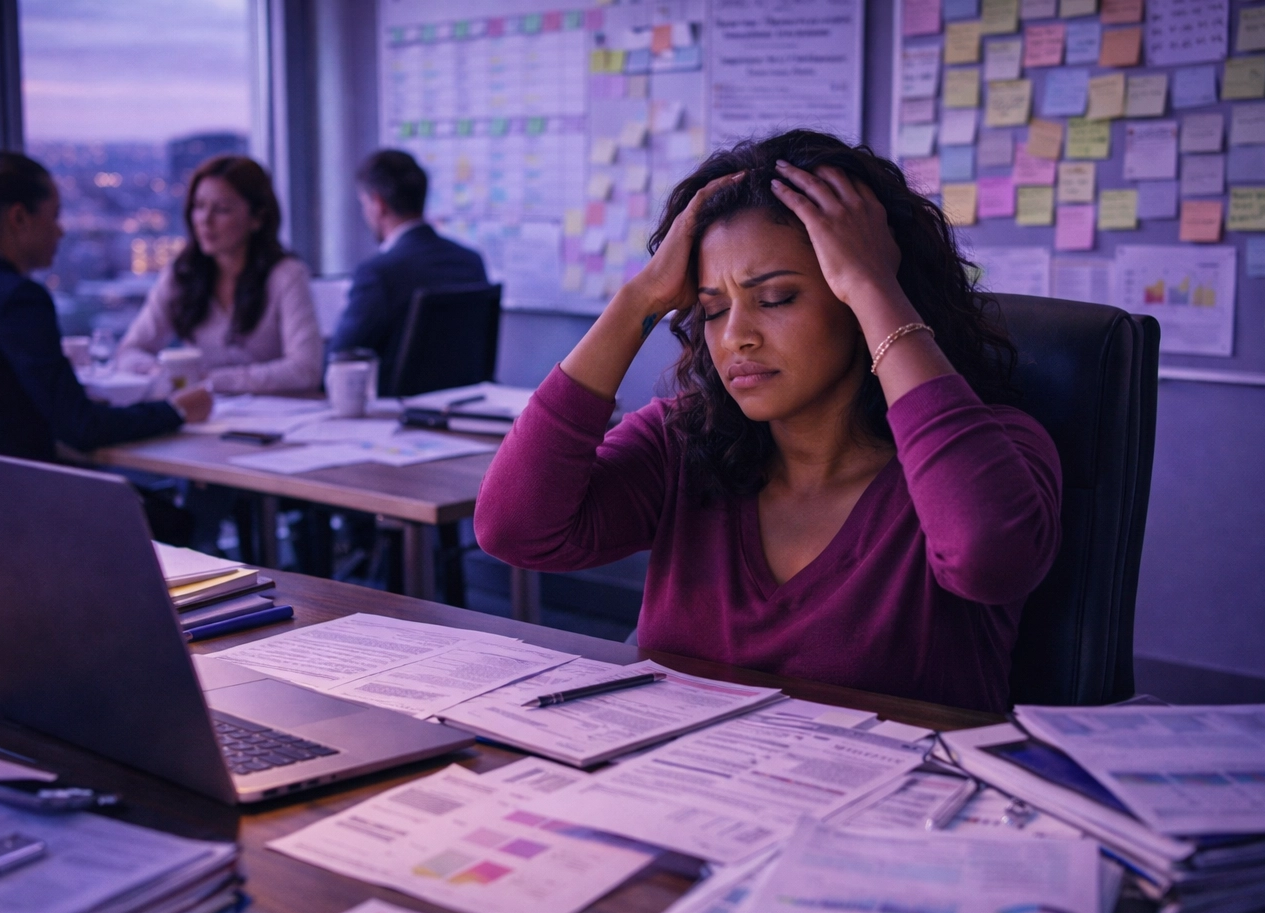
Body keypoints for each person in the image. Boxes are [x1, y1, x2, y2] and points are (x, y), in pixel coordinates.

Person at [473, 131, 1061, 712]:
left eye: (776, 298)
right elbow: (513, 529)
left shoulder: (996, 446)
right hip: (685, 791)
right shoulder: (684, 441)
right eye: (712, 309)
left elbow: (988, 557)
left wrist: (872, 281)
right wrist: (641, 297)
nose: (736, 337)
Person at [0, 151, 210, 463]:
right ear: (19, 218)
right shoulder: (18, 299)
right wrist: (176, 410)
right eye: (54, 216)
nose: (60, 231)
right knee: (174, 514)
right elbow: (81, 428)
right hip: (17, 498)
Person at [117, 155, 323, 393]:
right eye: (199, 206)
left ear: (257, 218)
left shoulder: (286, 275)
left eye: (222, 210)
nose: (205, 220)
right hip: (204, 419)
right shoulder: (182, 274)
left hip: (279, 420)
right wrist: (157, 371)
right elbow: (129, 351)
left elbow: (305, 369)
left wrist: (208, 380)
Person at [328, 149, 487, 395]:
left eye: (364, 204)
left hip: (393, 416)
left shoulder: (377, 274)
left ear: (378, 204)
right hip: (463, 413)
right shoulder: (470, 261)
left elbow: (337, 363)